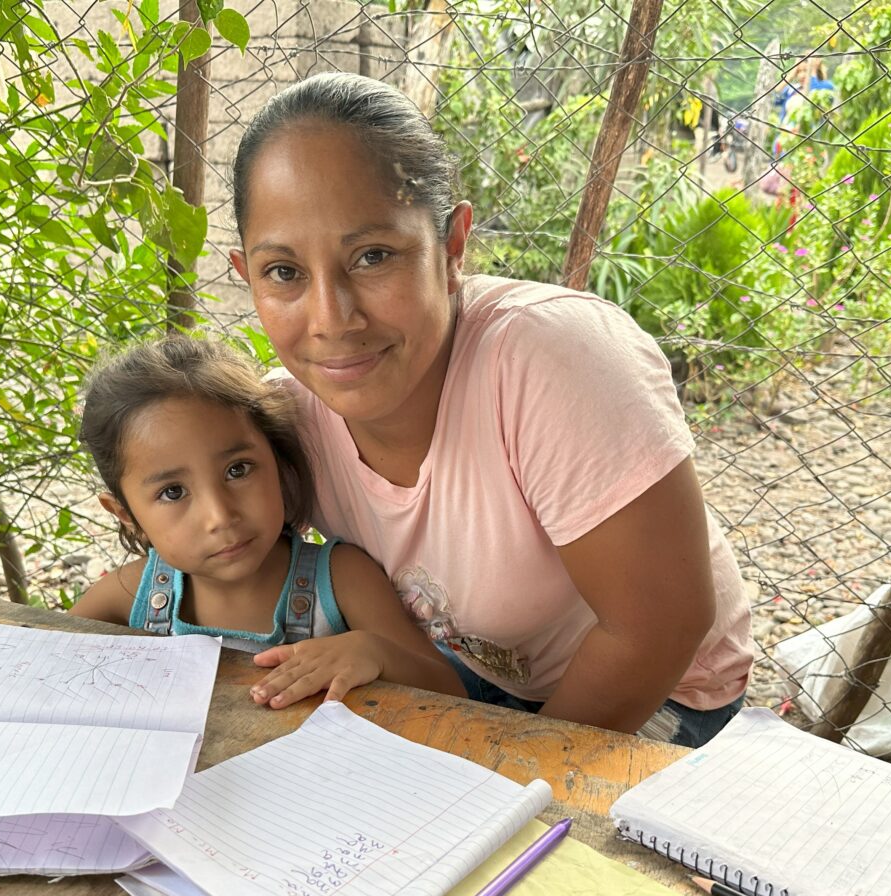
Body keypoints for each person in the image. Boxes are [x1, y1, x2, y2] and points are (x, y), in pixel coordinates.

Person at [226, 72, 754, 747]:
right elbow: (209, 552)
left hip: (666, 686)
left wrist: (507, 775)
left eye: (373, 257)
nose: (331, 319)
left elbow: (658, 629)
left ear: (452, 248)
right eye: (284, 272)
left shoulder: (551, 362)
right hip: (480, 674)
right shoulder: (290, 418)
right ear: (247, 276)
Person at [0, 337, 464, 708]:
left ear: (278, 464)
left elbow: (452, 691)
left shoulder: (341, 579)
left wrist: (371, 652)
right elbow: (31, 667)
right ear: (127, 515)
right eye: (173, 492)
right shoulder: (132, 596)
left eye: (238, 470)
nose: (220, 516)